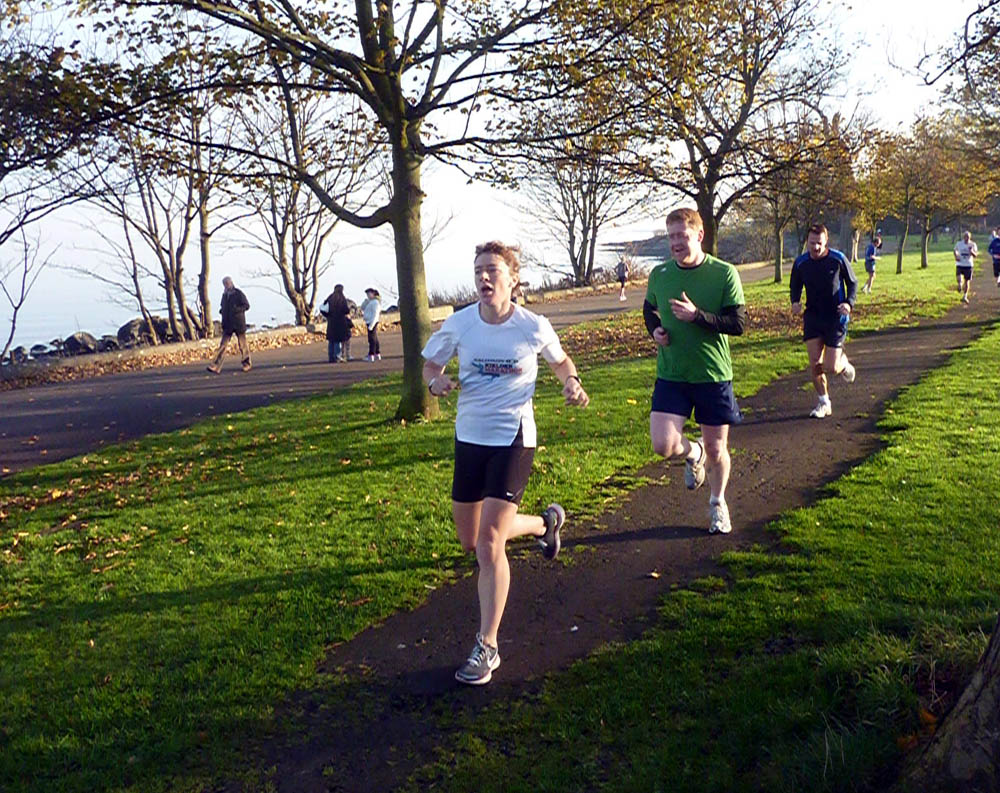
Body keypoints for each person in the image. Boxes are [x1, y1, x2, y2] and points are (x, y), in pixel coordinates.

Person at [421, 240, 590, 686]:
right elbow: (429, 367)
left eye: (493, 269)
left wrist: (571, 383)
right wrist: (437, 383)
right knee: (470, 540)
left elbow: (561, 362)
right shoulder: (459, 323)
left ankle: (487, 645)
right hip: (469, 437)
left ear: (512, 279)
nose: (484, 277)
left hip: (513, 438)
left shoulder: (532, 326)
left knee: (490, 542)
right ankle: (542, 525)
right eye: (478, 269)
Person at [643, 207, 746, 536]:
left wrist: (697, 316)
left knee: (718, 450)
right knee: (663, 445)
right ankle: (694, 451)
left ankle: (718, 503)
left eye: (682, 236)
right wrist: (655, 331)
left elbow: (738, 324)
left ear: (699, 236)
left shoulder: (724, 273)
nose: (675, 242)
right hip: (672, 372)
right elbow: (649, 309)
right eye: (671, 236)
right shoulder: (659, 274)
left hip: (711, 374)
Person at [789, 223, 858, 419]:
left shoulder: (837, 259)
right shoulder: (801, 263)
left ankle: (843, 364)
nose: (815, 247)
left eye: (819, 243)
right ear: (807, 242)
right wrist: (795, 302)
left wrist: (849, 303)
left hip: (835, 317)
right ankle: (823, 402)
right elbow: (795, 284)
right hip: (813, 317)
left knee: (831, 367)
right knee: (814, 363)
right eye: (812, 243)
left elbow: (852, 283)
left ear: (826, 241)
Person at [207, 276, 251, 373]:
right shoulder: (224, 295)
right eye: (225, 283)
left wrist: (237, 310)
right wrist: (222, 311)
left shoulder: (238, 293)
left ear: (231, 283)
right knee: (223, 346)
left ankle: (246, 364)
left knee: (243, 345)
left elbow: (247, 306)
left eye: (228, 283)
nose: (227, 285)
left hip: (238, 323)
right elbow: (223, 307)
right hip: (228, 324)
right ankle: (216, 366)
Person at [320, 285, 353, 362]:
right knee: (337, 340)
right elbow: (346, 310)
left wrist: (328, 315)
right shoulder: (342, 298)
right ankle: (337, 356)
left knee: (331, 340)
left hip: (331, 321)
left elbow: (323, 308)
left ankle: (331, 357)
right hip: (340, 322)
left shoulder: (330, 298)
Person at [954, 231, 978, 304]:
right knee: (958, 277)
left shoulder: (973, 244)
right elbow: (955, 250)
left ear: (970, 237)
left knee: (967, 281)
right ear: (963, 237)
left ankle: (965, 296)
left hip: (968, 265)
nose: (966, 238)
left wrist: (971, 252)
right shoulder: (959, 243)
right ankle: (959, 285)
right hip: (960, 263)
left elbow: (975, 255)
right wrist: (956, 256)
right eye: (965, 237)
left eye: (968, 237)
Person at [361, 288, 382, 361]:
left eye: (369, 294)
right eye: (367, 294)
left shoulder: (375, 302)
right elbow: (362, 308)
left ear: (373, 294)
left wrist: (372, 325)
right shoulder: (370, 302)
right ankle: (377, 353)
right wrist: (365, 302)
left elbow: (375, 315)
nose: (368, 295)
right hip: (369, 321)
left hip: (372, 322)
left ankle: (371, 354)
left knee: (371, 339)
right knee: (374, 338)